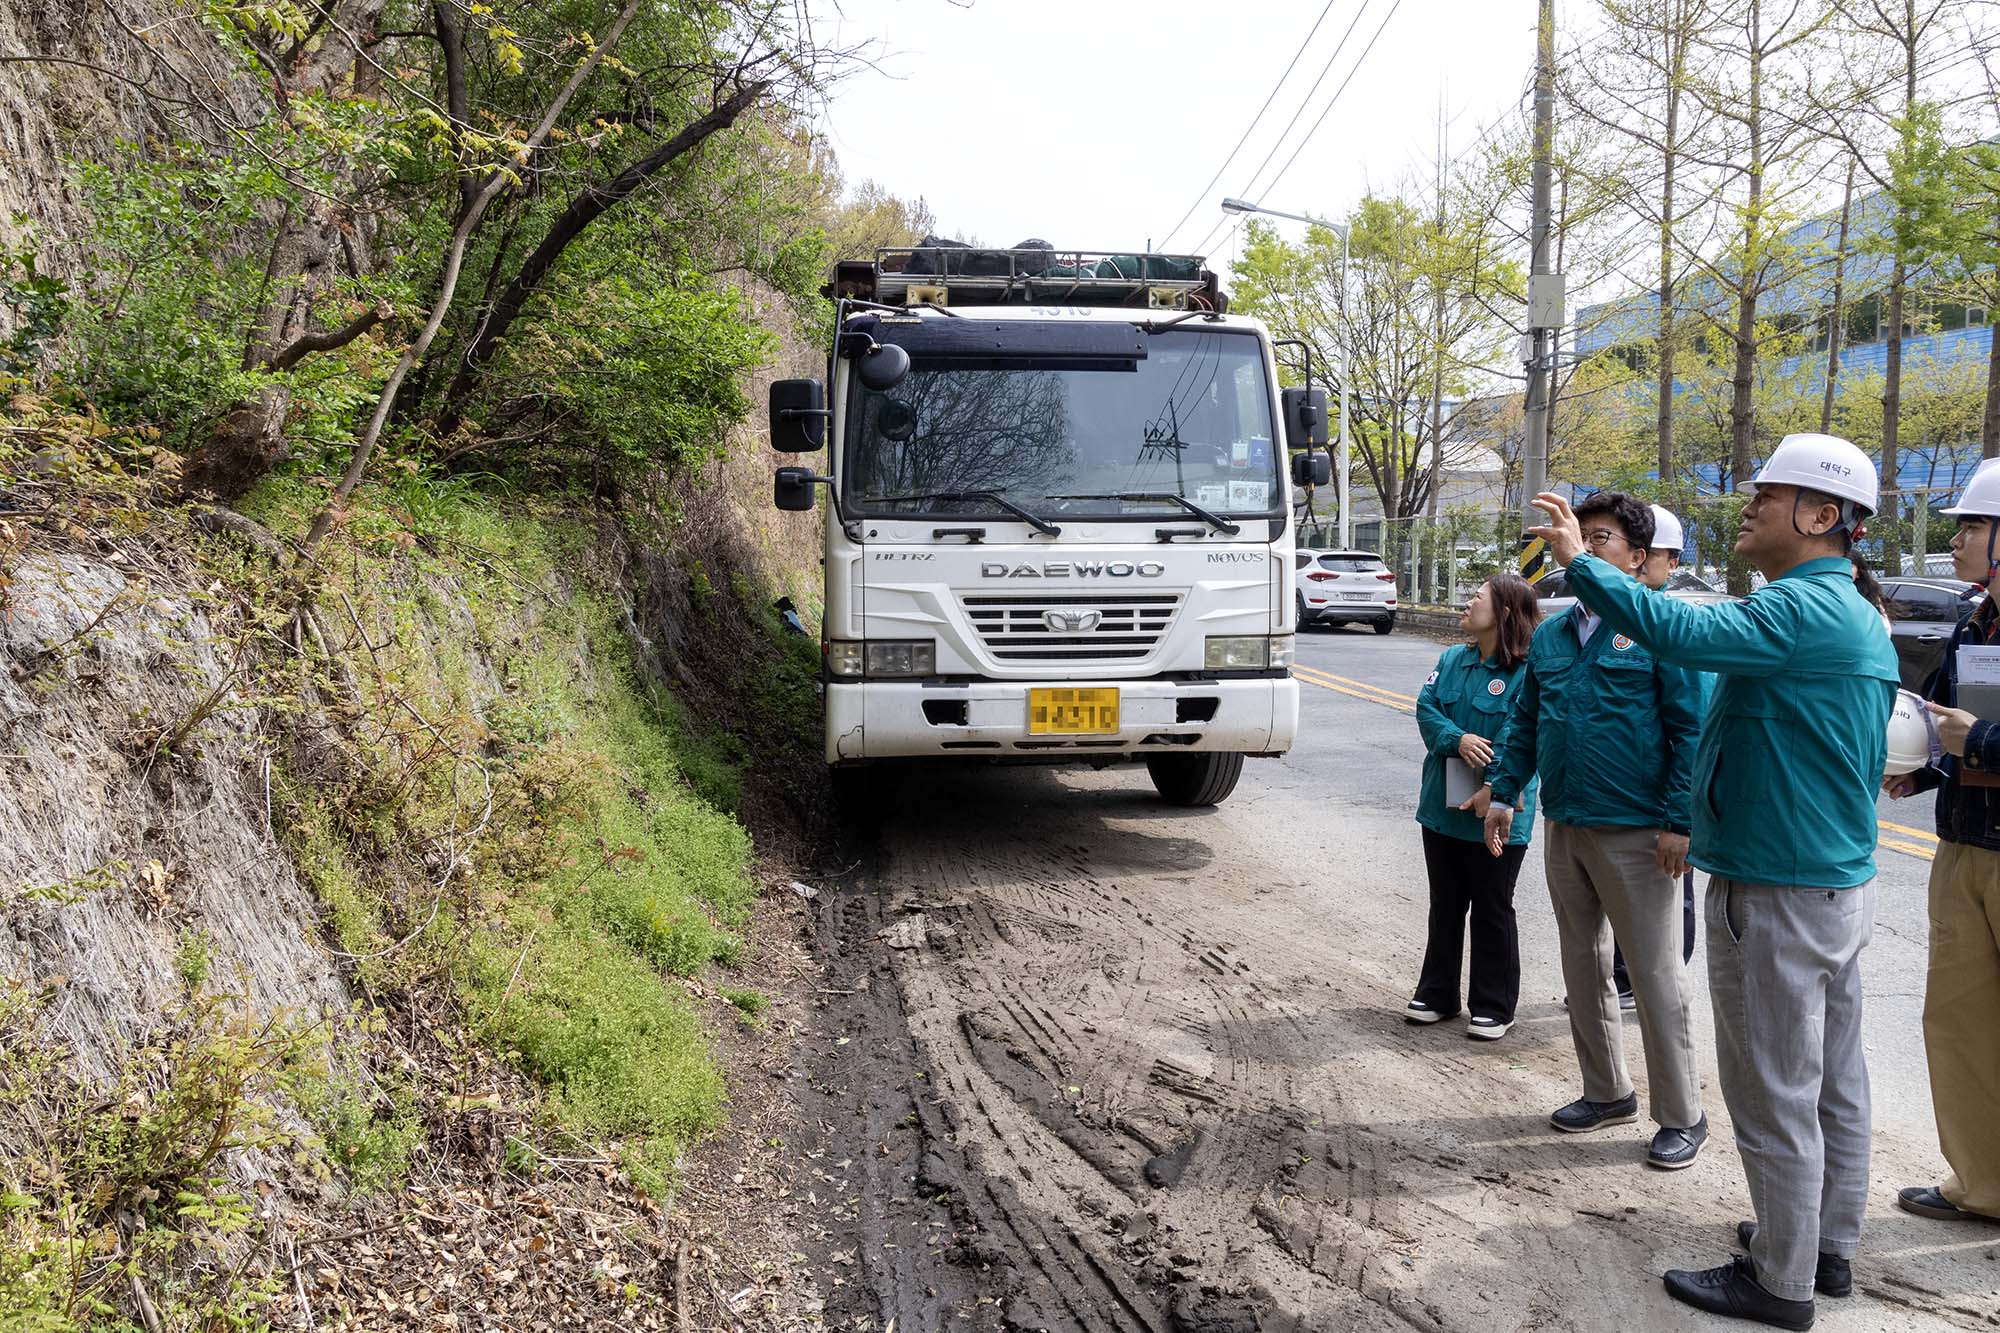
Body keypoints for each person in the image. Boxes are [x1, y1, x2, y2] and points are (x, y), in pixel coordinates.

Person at [1528, 432, 1899, 1330]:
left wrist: (1580, 562)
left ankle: (1780, 1278)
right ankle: (1821, 1244)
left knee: (1773, 1089)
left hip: (1775, 884)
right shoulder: (1837, 607)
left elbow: (1677, 626)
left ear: (1822, 515)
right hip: (1824, 880)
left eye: (1766, 495)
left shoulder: (1805, 608)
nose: (1747, 504)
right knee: (1832, 1081)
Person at [1483, 491, 1708, 1170]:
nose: (1574, 540)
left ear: (1638, 559)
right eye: (1574, 530)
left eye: (1597, 535)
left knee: (1655, 973)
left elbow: (1690, 731)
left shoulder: (1662, 626)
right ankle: (1606, 1090)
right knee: (1581, 962)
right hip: (1568, 821)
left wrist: (1679, 821)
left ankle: (1682, 1113)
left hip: (1640, 831)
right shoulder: (1553, 635)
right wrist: (1504, 792)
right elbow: (1525, 721)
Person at [1882, 458, 2000, 1228]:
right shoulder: (1975, 620)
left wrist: (1984, 738)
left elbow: (1981, 730)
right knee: (1960, 1020)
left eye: (1971, 526)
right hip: (1964, 846)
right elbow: (1957, 729)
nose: (1955, 539)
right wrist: (1927, 771)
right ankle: (1983, 1183)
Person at [1406, 575, 1542, 1040]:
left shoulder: (1527, 672)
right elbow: (1426, 709)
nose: (1467, 603)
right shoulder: (1451, 660)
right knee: (1445, 904)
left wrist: (1495, 782)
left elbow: (1522, 734)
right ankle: (1437, 993)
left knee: (1491, 906)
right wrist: (1456, 738)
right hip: (1442, 809)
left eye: (1477, 597)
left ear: (1504, 612)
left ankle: (1494, 1004)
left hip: (1499, 812)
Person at [1608, 503, 1703, 1003]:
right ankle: (1621, 975)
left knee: (1668, 897)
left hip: (1658, 800)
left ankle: (1657, 982)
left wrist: (1680, 819)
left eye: (1654, 558)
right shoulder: (1606, 620)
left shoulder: (1673, 625)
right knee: (1616, 897)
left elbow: (1692, 729)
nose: (1642, 569)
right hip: (1612, 803)